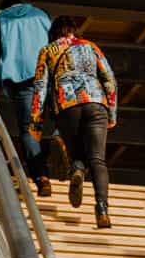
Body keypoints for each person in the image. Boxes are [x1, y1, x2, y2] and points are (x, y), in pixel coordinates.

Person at [29, 16, 117, 226]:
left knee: (76, 151)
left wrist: (36, 123)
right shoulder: (90, 46)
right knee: (97, 159)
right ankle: (102, 208)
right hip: (97, 102)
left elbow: (40, 88)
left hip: (67, 105)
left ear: (54, 33)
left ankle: (77, 169)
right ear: (73, 30)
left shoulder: (48, 51)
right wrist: (112, 113)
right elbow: (109, 79)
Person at [0, 0, 52, 191]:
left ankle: (41, 177)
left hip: (20, 80)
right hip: (46, 76)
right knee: (57, 120)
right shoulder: (42, 16)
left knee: (28, 129)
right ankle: (70, 157)